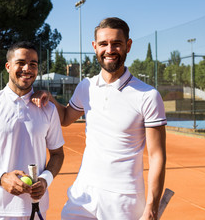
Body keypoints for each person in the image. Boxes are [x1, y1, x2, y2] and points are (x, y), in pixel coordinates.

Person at [31, 17, 167, 220]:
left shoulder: (148, 95)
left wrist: (152, 206)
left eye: (117, 43)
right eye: (103, 44)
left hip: (124, 200)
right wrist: (50, 99)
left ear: (128, 46)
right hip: (83, 193)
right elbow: (67, 117)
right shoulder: (86, 86)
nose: (109, 49)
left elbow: (157, 156)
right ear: (95, 47)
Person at [0, 41, 65, 220]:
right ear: (8, 66)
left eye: (33, 64)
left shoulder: (48, 109)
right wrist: (1, 178)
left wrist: (45, 179)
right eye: (21, 63)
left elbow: (57, 154)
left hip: (36, 207)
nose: (27, 68)